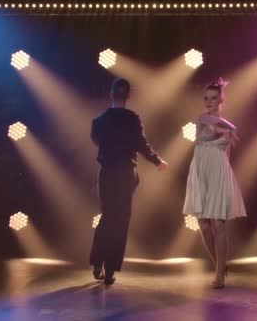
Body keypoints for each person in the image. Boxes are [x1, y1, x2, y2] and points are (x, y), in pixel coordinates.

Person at [89, 78, 168, 285]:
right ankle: (111, 269)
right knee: (121, 220)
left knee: (107, 216)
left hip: (106, 173)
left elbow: (96, 140)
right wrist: (156, 160)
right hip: (125, 173)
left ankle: (98, 262)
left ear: (111, 94)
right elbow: (140, 143)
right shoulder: (133, 118)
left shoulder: (99, 121)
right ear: (129, 96)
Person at [182, 77, 247, 289]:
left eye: (213, 98)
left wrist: (230, 134)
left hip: (218, 171)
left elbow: (226, 150)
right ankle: (219, 264)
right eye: (206, 98)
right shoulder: (202, 118)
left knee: (218, 224)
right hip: (200, 171)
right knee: (203, 223)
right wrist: (232, 130)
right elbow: (226, 125)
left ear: (221, 100)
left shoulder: (223, 124)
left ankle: (219, 274)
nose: (208, 101)